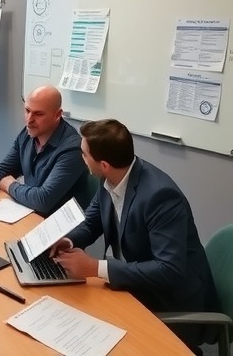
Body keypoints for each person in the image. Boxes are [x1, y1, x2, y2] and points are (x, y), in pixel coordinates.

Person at [50, 119, 219, 353]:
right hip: (135, 281)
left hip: (170, 298)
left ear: (104, 164)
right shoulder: (111, 178)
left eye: (84, 154)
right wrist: (68, 241)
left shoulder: (161, 196)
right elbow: (91, 222)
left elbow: (168, 270)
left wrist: (95, 268)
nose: (82, 158)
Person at [0, 85, 90, 217]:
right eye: (27, 111)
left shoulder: (72, 149)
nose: (29, 120)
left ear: (57, 115)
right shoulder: (29, 133)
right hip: (29, 210)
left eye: (38, 114)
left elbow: (43, 200)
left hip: (58, 221)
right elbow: (3, 169)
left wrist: (10, 185)